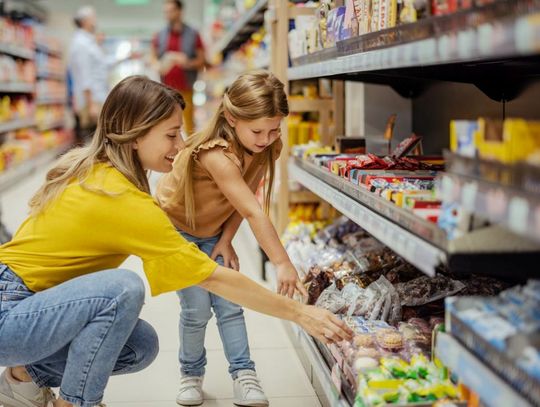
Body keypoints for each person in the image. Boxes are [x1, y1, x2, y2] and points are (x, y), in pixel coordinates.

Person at [0, 76, 352, 407]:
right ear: (134, 136)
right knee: (122, 288)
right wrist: (299, 313)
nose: (181, 145)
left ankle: (23, 378)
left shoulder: (102, 172)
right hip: (8, 311)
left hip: (26, 306)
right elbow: (210, 276)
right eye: (171, 135)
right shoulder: (119, 197)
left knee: (140, 346)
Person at [155, 70, 308, 407]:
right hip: (176, 232)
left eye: (274, 129)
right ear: (231, 118)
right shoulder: (215, 155)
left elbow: (245, 197)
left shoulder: (266, 146)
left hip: (212, 231)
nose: (267, 138)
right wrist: (281, 262)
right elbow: (255, 211)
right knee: (196, 310)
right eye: (257, 131)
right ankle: (191, 374)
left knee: (231, 305)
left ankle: (244, 374)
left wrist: (226, 239)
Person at [151, 0, 205, 136]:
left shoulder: (193, 34)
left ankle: (189, 155)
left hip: (186, 88)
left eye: (171, 11)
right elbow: (152, 57)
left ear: (180, 11)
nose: (167, 15)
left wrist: (187, 62)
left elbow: (201, 61)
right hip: (165, 89)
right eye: (165, 11)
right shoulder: (160, 34)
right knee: (166, 124)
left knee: (188, 125)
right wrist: (157, 65)